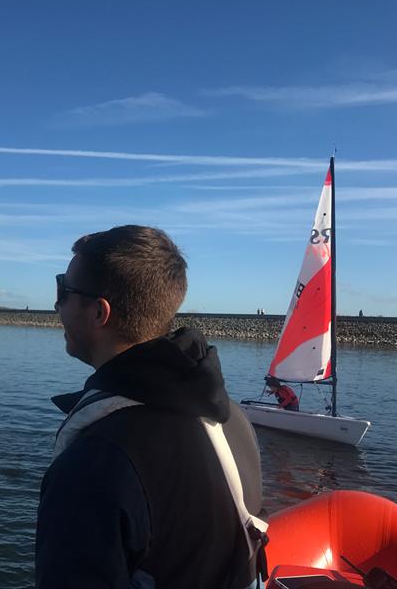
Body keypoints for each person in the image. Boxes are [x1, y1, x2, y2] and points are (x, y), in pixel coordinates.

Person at [36, 225, 265, 589]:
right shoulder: (231, 419)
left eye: (64, 290)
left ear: (100, 312)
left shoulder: (95, 464)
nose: (57, 305)